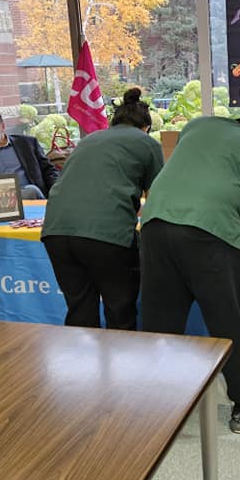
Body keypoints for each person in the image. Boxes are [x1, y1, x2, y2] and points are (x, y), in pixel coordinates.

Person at [140, 116, 240, 434]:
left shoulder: (196, 127)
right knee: (228, 326)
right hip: (209, 236)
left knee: (160, 325)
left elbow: (200, 178)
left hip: (154, 224)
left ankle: (154, 410)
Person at [41, 88, 163, 330]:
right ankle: (121, 367)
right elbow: (159, 195)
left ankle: (81, 367)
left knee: (80, 308)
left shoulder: (90, 139)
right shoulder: (147, 143)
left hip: (56, 232)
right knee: (119, 308)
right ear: (145, 127)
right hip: (106, 235)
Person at [0, 106, 59, 199]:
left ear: (2, 126)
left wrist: (58, 192)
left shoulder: (27, 144)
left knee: (31, 190)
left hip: (34, 200)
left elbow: (49, 171)